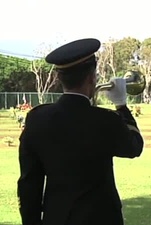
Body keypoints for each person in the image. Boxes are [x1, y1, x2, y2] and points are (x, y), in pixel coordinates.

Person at [17, 38, 144, 225]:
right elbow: (134, 147)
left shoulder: (37, 118)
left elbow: (29, 185)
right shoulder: (106, 119)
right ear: (92, 77)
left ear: (59, 78)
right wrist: (121, 105)